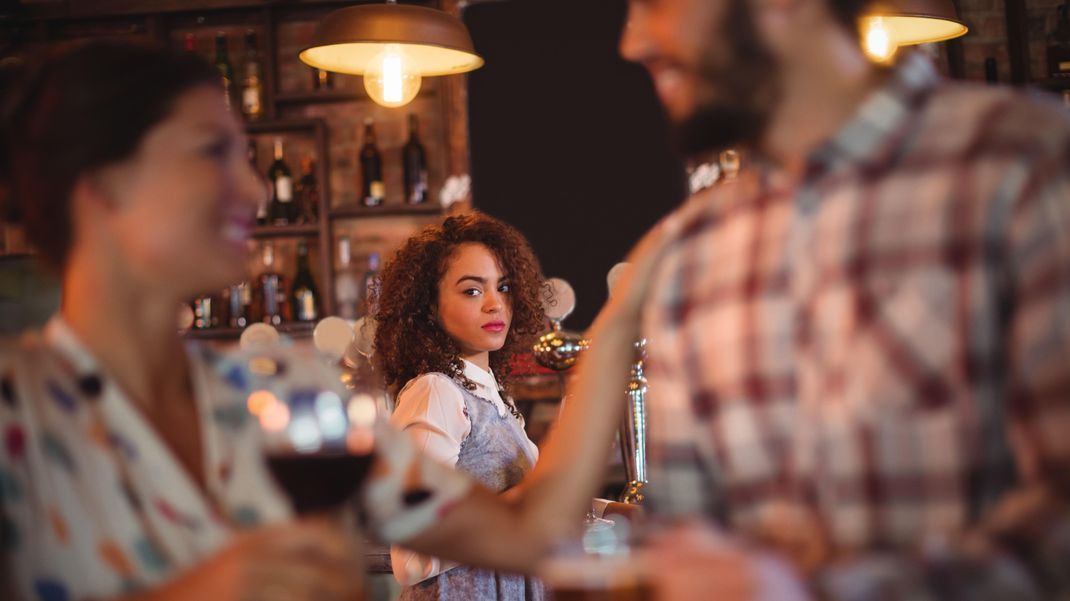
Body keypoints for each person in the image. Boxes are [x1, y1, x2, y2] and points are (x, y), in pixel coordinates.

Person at [0, 40, 632, 601]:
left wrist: (615, 332)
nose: (250, 189)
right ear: (103, 187)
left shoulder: (280, 392)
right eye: (210, 153)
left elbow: (521, 533)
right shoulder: (18, 413)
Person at [576, 0, 1070, 598]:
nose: (633, 43)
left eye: (655, 4)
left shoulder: (1027, 162)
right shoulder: (692, 249)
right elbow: (693, 538)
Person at [375, 212, 546, 600]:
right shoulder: (436, 391)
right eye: (472, 290)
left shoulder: (492, 393)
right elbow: (411, 555)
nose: (495, 304)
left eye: (503, 287)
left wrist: (606, 513)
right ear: (429, 307)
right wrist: (530, 500)